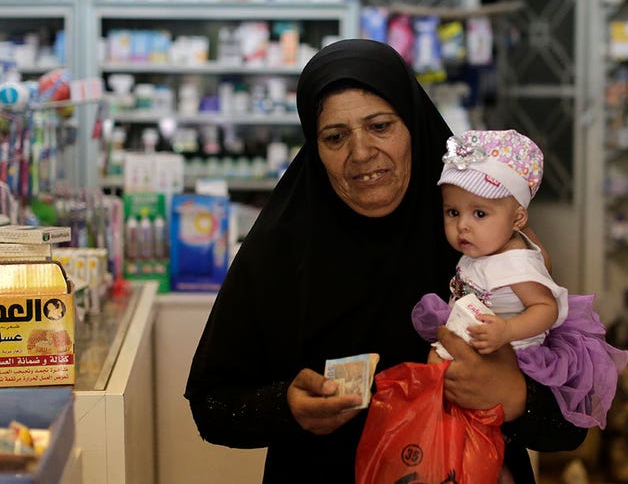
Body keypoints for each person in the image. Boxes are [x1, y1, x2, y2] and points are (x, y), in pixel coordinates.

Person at [184, 39, 587, 483]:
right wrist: (286, 407)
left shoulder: (482, 235)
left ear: (412, 124)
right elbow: (212, 403)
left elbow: (573, 422)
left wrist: (512, 395)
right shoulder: (280, 249)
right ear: (314, 148)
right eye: (335, 136)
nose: (360, 153)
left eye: (379, 126)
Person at [412, 129, 628, 429]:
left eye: (479, 214)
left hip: (510, 353)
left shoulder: (516, 263)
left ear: (518, 219)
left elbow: (546, 309)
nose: (463, 226)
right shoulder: (483, 249)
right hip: (478, 338)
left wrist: (507, 330)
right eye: (452, 212)